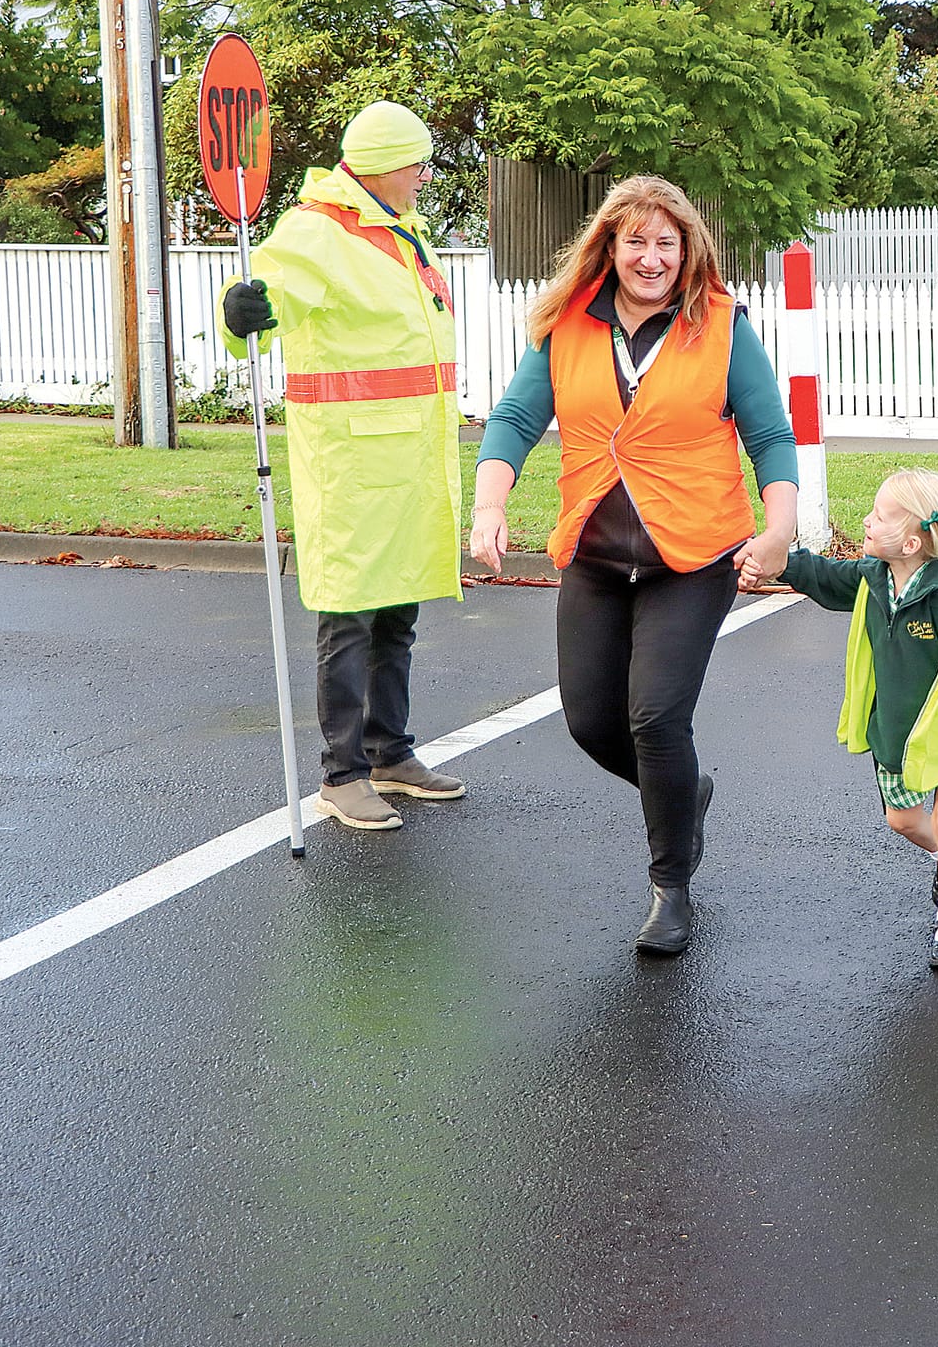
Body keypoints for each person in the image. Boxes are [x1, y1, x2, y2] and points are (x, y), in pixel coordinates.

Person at [469, 176, 799, 957]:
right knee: (589, 722)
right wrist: (490, 505)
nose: (650, 258)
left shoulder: (718, 325)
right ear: (608, 248)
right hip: (594, 551)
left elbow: (770, 435)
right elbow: (517, 418)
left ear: (688, 251)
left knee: (655, 718)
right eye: (635, 242)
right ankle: (687, 795)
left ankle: (670, 887)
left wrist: (779, 528)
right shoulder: (568, 325)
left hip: (693, 555)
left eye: (665, 243)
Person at [217, 100, 467, 833]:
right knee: (351, 616)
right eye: (419, 162)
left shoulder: (398, 232)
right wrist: (244, 313)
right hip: (354, 462)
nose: (425, 175)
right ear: (389, 164)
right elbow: (265, 297)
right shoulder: (317, 231)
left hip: (408, 458)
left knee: (397, 612)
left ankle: (391, 752)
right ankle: (343, 774)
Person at [777, 471, 938, 971]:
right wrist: (779, 559)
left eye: (878, 516)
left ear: (913, 540)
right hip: (896, 733)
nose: (866, 521)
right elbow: (819, 576)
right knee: (902, 820)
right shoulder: (870, 581)